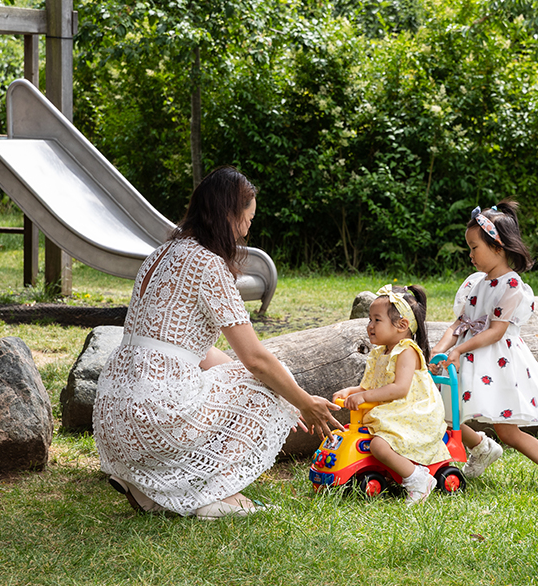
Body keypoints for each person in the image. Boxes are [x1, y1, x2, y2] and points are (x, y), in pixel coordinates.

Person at [94, 166, 341, 519]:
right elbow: (255, 358)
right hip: (153, 414)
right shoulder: (208, 264)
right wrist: (300, 400)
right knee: (273, 372)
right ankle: (214, 497)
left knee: (266, 383)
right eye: (247, 219)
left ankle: (144, 483)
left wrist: (279, 395)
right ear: (228, 214)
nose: (246, 229)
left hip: (113, 416)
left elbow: (190, 349)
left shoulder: (160, 255)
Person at [429, 200, 538, 489]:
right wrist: (439, 349)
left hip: (495, 362)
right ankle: (482, 448)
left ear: (498, 247)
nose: (470, 254)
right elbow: (459, 324)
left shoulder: (511, 286)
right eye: (469, 248)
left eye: (475, 247)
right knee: (442, 412)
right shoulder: (476, 283)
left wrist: (458, 349)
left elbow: (496, 331)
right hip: (467, 357)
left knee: (507, 431)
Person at [332, 284, 449, 505]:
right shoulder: (379, 352)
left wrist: (365, 397)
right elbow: (369, 386)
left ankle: (417, 478)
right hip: (392, 409)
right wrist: (352, 391)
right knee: (365, 437)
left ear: (402, 325)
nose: (370, 326)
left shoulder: (406, 351)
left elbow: (399, 389)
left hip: (413, 411)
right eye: (369, 320)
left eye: (377, 320)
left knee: (378, 445)